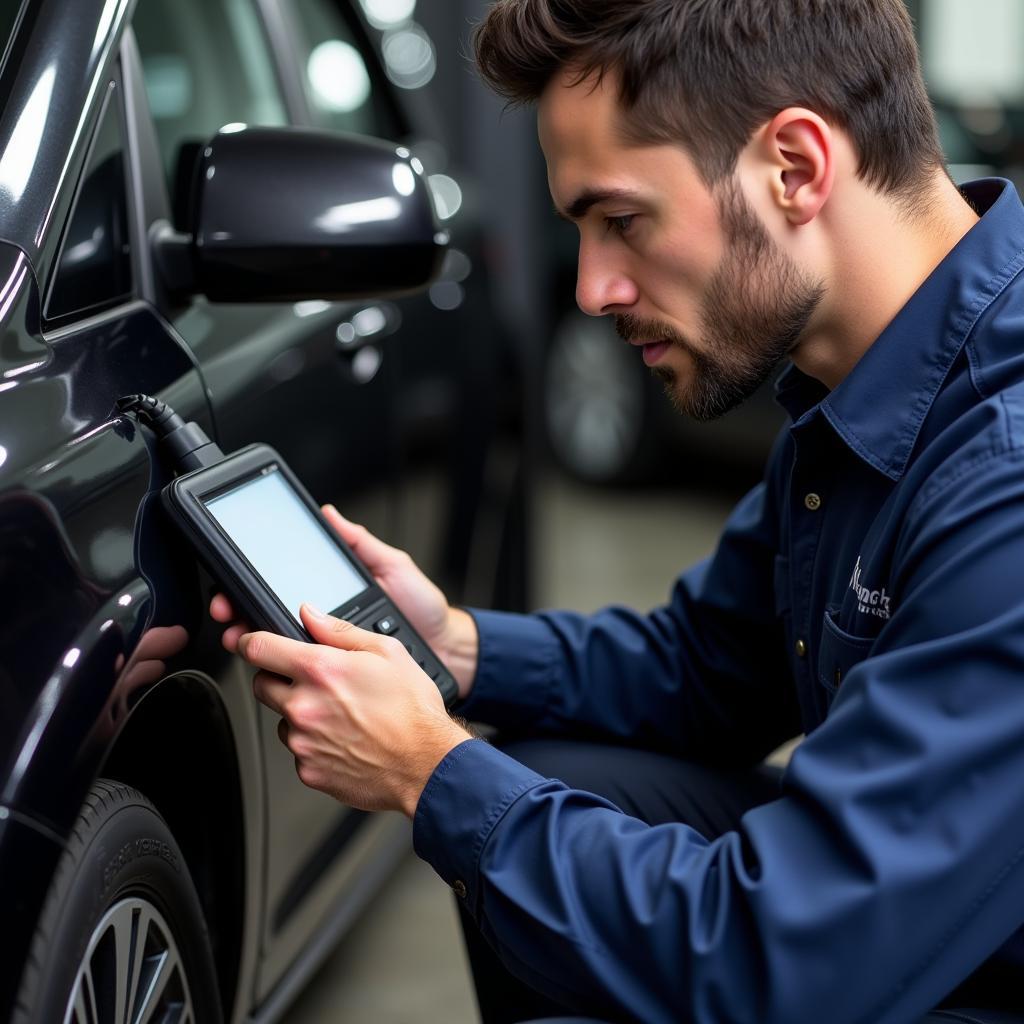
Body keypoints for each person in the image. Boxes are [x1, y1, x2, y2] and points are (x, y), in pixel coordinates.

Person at [211, 1, 1024, 1020]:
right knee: (545, 790)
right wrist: (453, 649)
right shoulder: (861, 384)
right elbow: (707, 670)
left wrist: (431, 772)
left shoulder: (1003, 474)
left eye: (622, 220)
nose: (592, 289)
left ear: (796, 168)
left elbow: (782, 959)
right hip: (905, 935)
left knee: (502, 819)